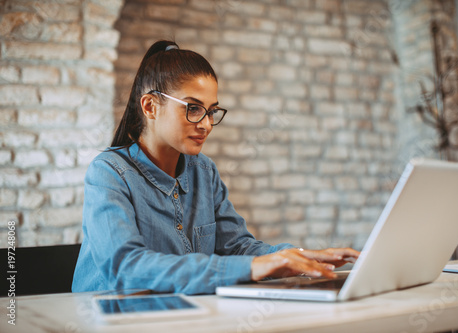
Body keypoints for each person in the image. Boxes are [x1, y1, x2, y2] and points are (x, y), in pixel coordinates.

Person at [72, 40, 359, 294]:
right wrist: (251, 268)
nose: (207, 124)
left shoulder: (203, 171)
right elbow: (125, 267)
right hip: (113, 318)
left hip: (182, 316)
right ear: (149, 107)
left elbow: (237, 247)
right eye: (193, 108)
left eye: (211, 111)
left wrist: (296, 256)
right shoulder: (108, 172)